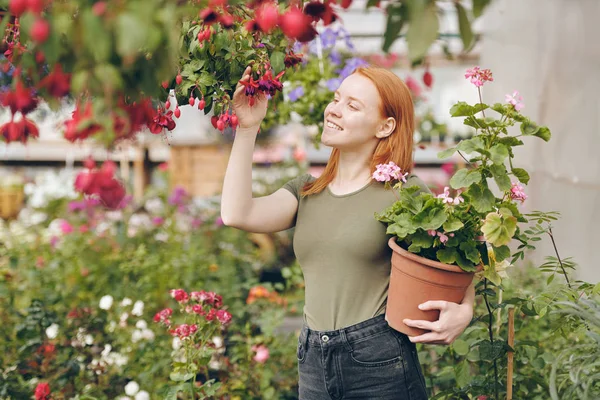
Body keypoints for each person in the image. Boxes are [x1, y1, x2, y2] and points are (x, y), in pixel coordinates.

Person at [221, 65, 475, 399]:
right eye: (337, 99)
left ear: (385, 127)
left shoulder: (404, 192)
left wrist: (465, 309)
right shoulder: (306, 192)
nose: (334, 110)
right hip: (313, 358)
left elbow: (454, 256)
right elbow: (236, 213)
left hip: (378, 360)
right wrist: (247, 128)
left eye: (353, 106)